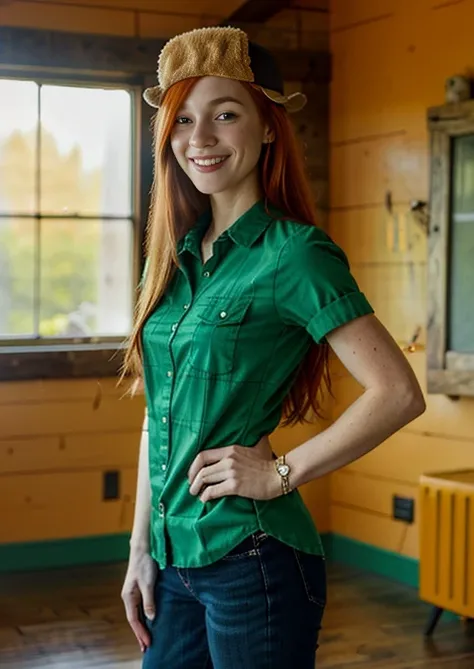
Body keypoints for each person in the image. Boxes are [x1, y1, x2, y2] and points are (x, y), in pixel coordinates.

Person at [119, 26, 426, 669]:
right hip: (173, 564)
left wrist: (279, 473)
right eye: (182, 121)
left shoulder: (296, 255)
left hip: (252, 562)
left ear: (266, 127)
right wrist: (140, 548)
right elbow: (159, 414)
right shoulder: (173, 261)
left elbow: (398, 392)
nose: (198, 139)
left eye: (225, 114)